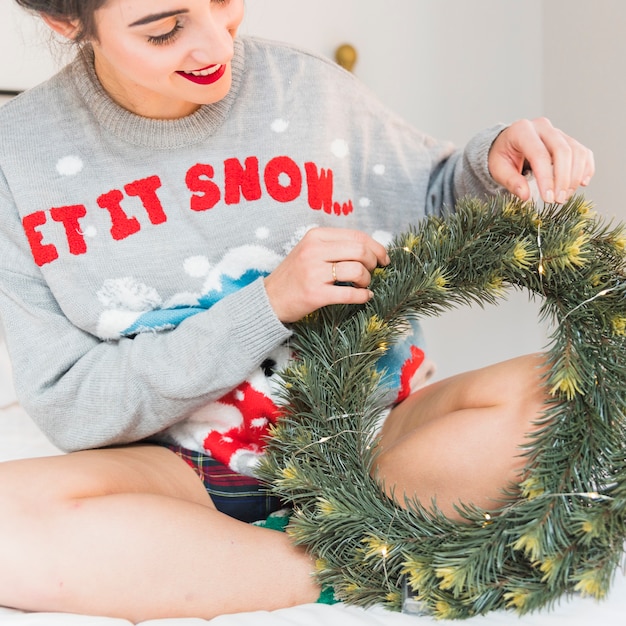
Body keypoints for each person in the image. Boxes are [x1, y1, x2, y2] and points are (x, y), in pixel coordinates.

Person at [0, 0, 595, 621]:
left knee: (578, 389)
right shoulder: (17, 158)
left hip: (374, 442)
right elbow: (72, 404)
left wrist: (495, 163)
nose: (216, 46)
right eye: (166, 29)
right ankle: (349, 560)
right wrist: (267, 305)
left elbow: (434, 199)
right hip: (176, 473)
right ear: (67, 22)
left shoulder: (308, 90)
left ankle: (237, 563)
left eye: (223, 1)